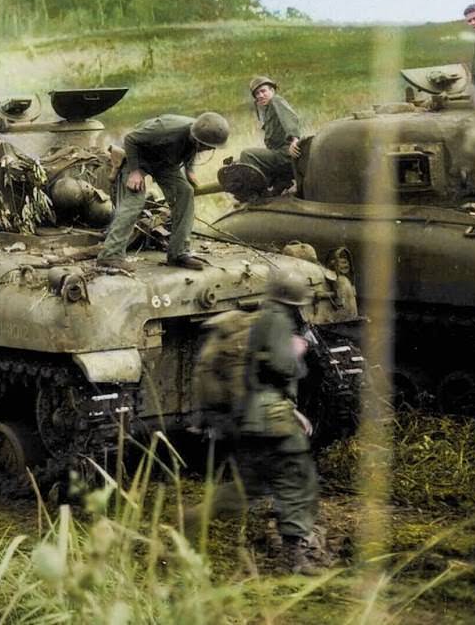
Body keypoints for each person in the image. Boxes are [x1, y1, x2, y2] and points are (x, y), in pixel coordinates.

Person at [191, 269, 324, 575]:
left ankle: (193, 518)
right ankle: (294, 557)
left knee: (247, 487)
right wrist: (296, 358)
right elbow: (282, 365)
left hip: (252, 418)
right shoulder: (277, 321)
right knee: (297, 480)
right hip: (272, 418)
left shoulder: (261, 319)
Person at [96, 113, 230, 270]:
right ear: (196, 138)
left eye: (210, 147)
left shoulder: (201, 134)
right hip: (138, 156)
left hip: (164, 161)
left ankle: (178, 254)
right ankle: (110, 255)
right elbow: (131, 139)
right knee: (135, 200)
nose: (207, 149)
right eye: (205, 146)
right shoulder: (167, 130)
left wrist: (189, 170)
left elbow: (191, 149)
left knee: (185, 193)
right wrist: (135, 171)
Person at [220, 76, 304, 199]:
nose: (260, 95)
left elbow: (289, 118)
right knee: (238, 163)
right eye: (257, 94)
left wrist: (294, 139)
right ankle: (280, 185)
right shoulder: (268, 111)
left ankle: (256, 195)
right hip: (278, 154)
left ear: (272, 91)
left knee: (248, 155)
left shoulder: (276, 101)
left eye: (263, 91)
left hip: (286, 153)